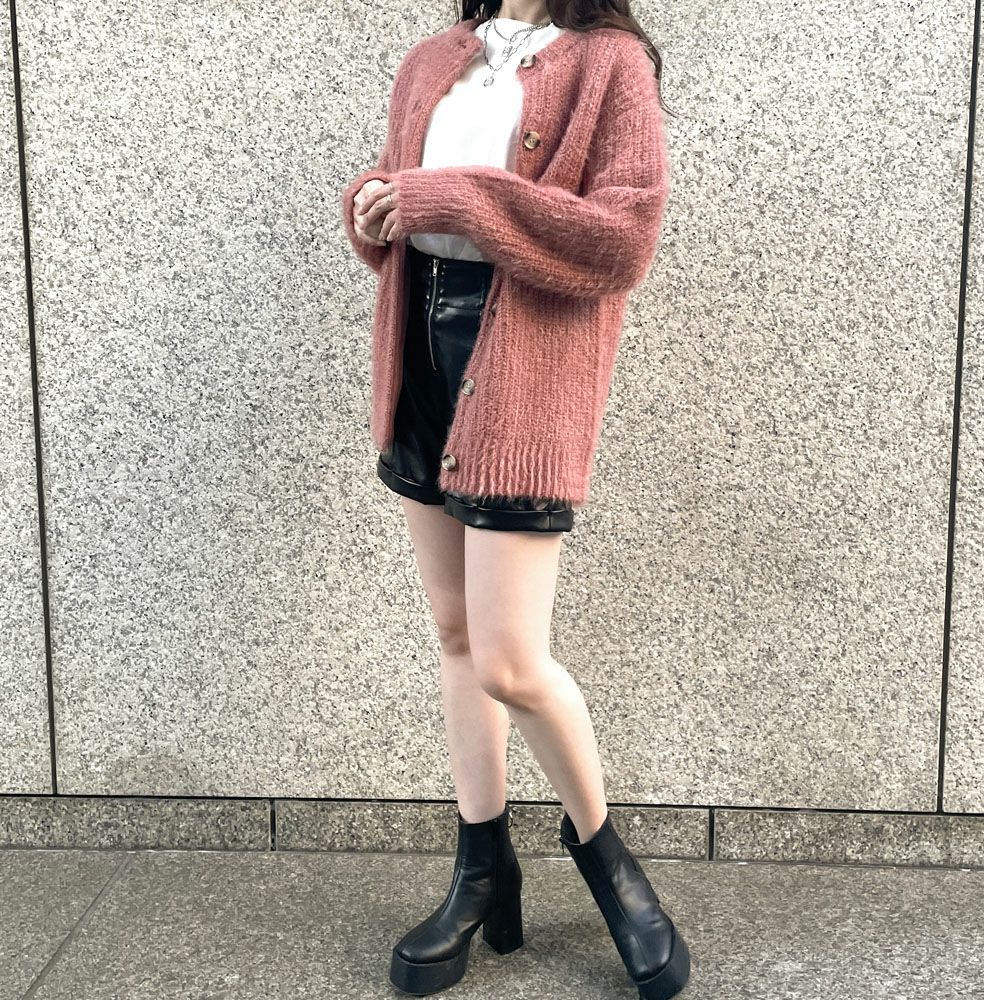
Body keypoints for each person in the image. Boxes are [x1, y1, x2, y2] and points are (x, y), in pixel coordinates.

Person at [342, 2, 689, 997]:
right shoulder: (433, 58)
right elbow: (405, 201)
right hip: (419, 352)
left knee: (510, 659)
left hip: (523, 370)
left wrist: (451, 195)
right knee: (456, 635)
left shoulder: (609, 64)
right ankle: (481, 868)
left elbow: (621, 238)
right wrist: (374, 208)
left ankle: (610, 864)